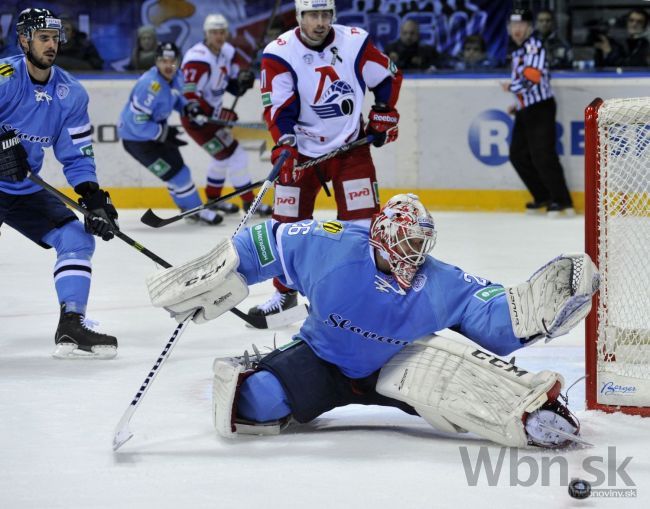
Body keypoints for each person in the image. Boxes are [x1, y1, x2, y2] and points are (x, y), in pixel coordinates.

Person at [147, 193, 599, 448]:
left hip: (401, 364)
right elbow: (268, 240)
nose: (414, 255)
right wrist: (225, 269)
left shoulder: (439, 279)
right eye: (406, 244)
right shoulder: (334, 244)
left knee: (486, 399)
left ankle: (527, 407)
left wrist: (531, 312)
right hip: (323, 357)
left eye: (420, 246)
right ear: (381, 235)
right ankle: (271, 372)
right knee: (251, 404)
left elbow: (490, 314)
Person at [250, 0, 403, 318]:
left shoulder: (355, 40)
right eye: (312, 15)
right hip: (302, 153)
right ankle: (286, 292)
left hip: (350, 149)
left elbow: (388, 77)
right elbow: (279, 108)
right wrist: (285, 143)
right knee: (286, 226)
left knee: (361, 226)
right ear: (298, 17)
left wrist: (384, 113)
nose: (320, 22)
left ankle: (360, 294)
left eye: (325, 15)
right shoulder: (278, 53)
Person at [0, 8, 118, 359]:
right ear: (24, 40)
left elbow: (77, 153)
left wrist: (92, 196)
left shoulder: (71, 92)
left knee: (75, 238)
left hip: (22, 189)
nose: (51, 45)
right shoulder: (5, 77)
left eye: (55, 38)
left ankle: (71, 324)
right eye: (43, 38)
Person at [118, 43, 222, 226]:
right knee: (178, 176)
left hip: (156, 133)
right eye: (163, 61)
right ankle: (197, 210)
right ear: (156, 62)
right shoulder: (150, 85)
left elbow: (175, 97)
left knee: (181, 171)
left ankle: (188, 209)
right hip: (138, 141)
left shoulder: (176, 77)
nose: (168, 65)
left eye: (172, 61)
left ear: (178, 62)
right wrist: (163, 132)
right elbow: (136, 123)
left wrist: (188, 107)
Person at [180, 14, 271, 217]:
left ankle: (213, 200)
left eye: (222, 32)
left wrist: (241, 82)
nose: (218, 36)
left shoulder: (226, 52)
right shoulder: (198, 58)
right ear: (206, 34)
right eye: (214, 32)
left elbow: (228, 84)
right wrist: (219, 113)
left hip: (212, 119)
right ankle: (250, 203)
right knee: (234, 154)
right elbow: (190, 97)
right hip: (197, 121)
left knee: (222, 158)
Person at [501, 8, 574, 216]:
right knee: (517, 155)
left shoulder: (533, 46)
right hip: (526, 108)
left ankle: (563, 201)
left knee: (543, 155)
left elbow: (533, 77)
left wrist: (512, 89)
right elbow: (529, 80)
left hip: (540, 108)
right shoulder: (518, 50)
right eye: (514, 25)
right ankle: (543, 196)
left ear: (530, 27)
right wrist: (518, 102)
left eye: (521, 25)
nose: (517, 29)